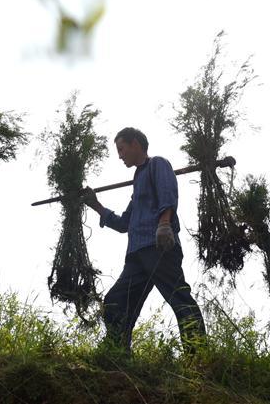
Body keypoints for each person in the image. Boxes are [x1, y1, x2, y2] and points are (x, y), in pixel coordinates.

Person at [81, 127, 206, 354]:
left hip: (158, 245)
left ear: (135, 143)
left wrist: (165, 224)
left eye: (121, 149)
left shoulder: (157, 164)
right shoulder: (138, 180)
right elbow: (124, 224)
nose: (119, 155)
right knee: (116, 302)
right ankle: (118, 354)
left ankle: (198, 354)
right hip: (137, 255)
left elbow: (167, 192)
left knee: (178, 297)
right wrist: (96, 205)